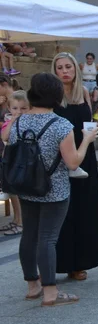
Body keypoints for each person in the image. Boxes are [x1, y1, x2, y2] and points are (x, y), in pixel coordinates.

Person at [5, 73, 98, 307]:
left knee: (29, 235)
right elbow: (73, 162)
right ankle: (50, 291)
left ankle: (32, 285)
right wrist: (87, 140)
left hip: (26, 185)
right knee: (47, 238)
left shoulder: (20, 122)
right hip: (54, 189)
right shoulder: (60, 125)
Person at [50, 52, 98, 282]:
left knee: (84, 209)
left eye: (68, 67)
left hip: (85, 153)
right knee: (63, 211)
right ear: (54, 71)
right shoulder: (51, 95)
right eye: (60, 67)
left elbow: (88, 119)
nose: (65, 71)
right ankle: (59, 262)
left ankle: (80, 263)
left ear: (75, 69)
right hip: (60, 158)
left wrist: (95, 128)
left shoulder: (82, 92)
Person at [0, 91, 27, 236]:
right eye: (15, 108)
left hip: (21, 163)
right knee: (12, 192)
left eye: (23, 108)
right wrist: (11, 121)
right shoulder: (9, 122)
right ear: (9, 109)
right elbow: (4, 137)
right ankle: (16, 219)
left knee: (19, 193)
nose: (19, 112)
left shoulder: (28, 123)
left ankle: (21, 222)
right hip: (11, 161)